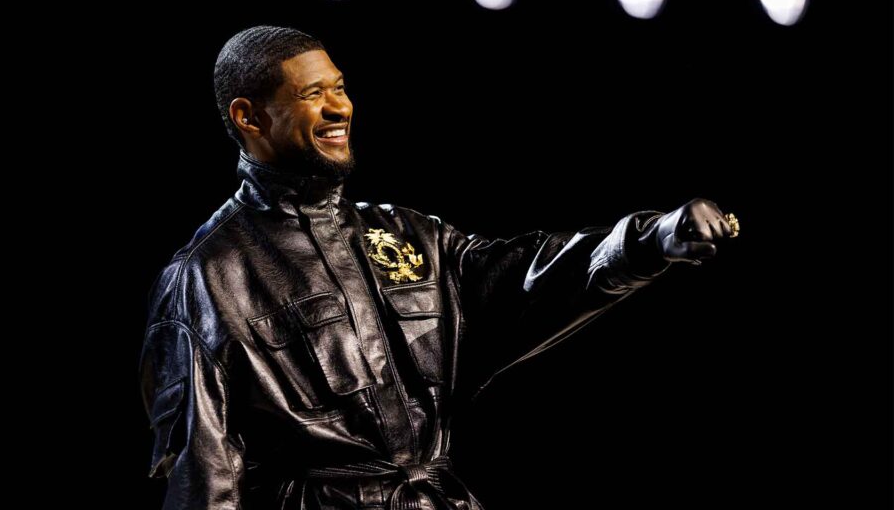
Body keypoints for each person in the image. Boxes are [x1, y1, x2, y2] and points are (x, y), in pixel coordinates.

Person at [138, 25, 738, 510]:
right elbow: (202, 472)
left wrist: (649, 239)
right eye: (311, 94)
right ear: (249, 117)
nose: (339, 107)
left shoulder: (406, 235)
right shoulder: (207, 277)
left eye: (340, 87)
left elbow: (530, 273)